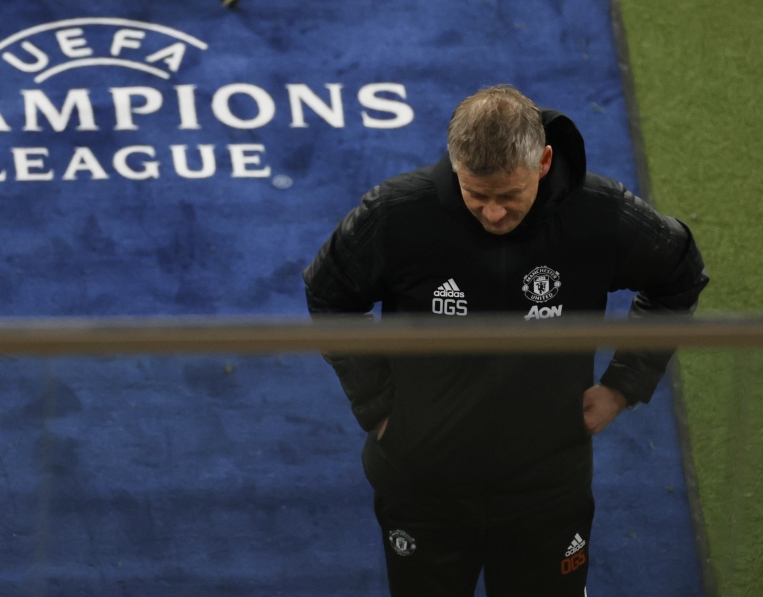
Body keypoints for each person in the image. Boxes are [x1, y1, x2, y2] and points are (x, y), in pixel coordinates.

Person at [302, 85, 708, 596]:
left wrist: (625, 384)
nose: (493, 214)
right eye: (477, 195)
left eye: (509, 196)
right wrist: (379, 405)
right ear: (455, 166)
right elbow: (329, 292)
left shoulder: (599, 215)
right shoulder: (395, 215)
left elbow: (680, 275)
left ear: (543, 161)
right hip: (423, 488)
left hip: (546, 491)